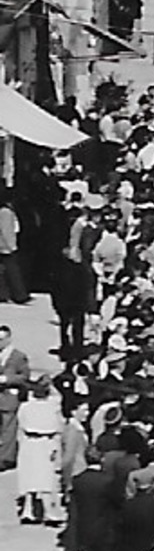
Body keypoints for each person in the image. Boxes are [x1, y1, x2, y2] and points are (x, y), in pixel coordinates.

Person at [16, 378, 62, 525]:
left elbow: (21, 425)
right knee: (44, 478)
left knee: (32, 478)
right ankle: (46, 513)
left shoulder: (25, 406)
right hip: (44, 442)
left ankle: (29, 511)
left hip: (30, 443)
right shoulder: (52, 406)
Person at [0, 324, 31, 469]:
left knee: (8, 429)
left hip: (9, 397)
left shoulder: (18, 356)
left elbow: (24, 377)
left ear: (8, 339)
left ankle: (6, 458)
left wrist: (7, 379)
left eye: (1, 339)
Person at [0, 193, 28, 304]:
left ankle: (3, 294)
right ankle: (19, 295)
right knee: (13, 271)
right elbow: (6, 230)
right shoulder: (6, 213)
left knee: (3, 272)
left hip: (3, 245)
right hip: (5, 246)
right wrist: (12, 246)